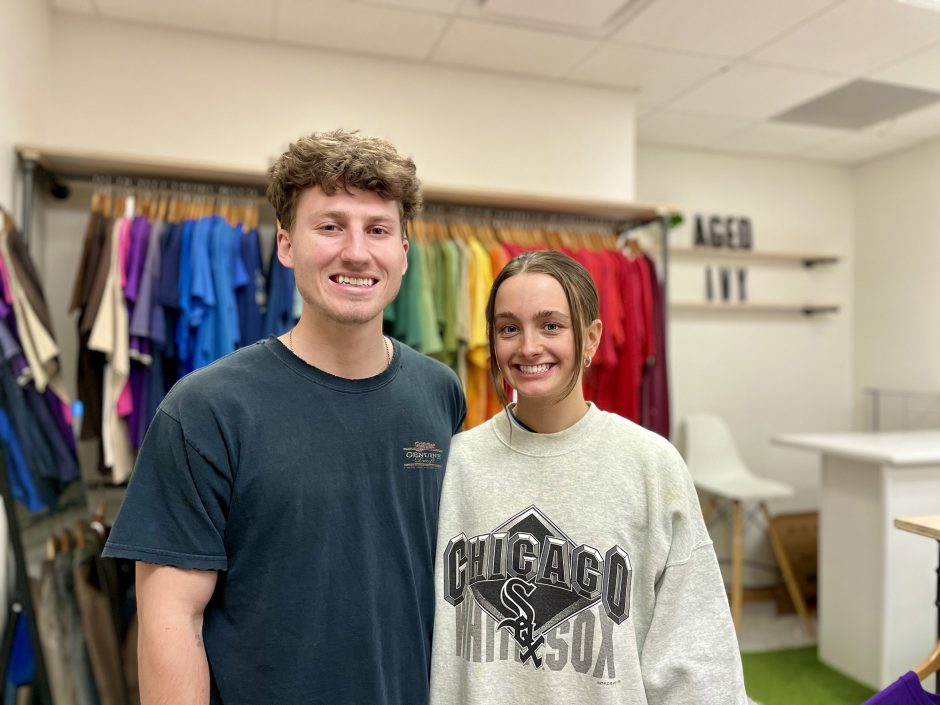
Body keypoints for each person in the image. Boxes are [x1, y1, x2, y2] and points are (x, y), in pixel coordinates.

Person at [103, 129, 467, 705]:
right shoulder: (205, 410)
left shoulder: (439, 393)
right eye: (330, 226)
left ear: (403, 252)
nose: (356, 251)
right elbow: (171, 621)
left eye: (378, 229)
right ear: (286, 245)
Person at [429, 250, 747, 705]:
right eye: (509, 328)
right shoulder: (456, 464)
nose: (529, 346)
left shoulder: (650, 464)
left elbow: (696, 656)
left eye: (551, 325)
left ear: (592, 337)